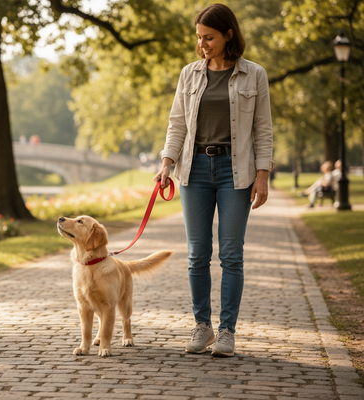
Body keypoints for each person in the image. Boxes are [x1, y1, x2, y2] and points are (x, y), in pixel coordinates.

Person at [154, 3, 274, 357]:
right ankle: (202, 326)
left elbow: (263, 129)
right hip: (194, 171)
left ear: (229, 35)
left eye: (209, 38)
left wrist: (263, 175)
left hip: (235, 172)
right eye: (199, 38)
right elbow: (177, 124)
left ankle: (226, 332)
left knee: (232, 255)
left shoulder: (255, 75)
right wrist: (166, 163)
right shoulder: (189, 74)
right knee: (197, 255)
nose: (202, 44)